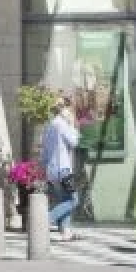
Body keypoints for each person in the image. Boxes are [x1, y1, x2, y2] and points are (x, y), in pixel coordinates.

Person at [41, 95, 82, 241]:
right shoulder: (62, 124)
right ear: (65, 109)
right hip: (63, 169)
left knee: (65, 199)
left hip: (52, 170)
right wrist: (72, 125)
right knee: (73, 200)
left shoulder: (50, 125)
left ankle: (66, 232)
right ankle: (44, 221)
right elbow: (74, 141)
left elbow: (44, 152)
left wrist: (45, 168)